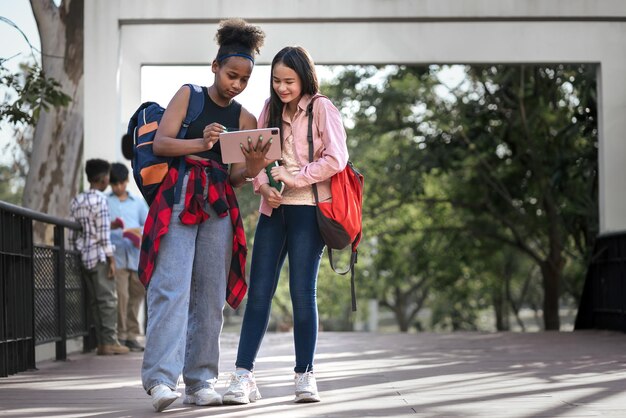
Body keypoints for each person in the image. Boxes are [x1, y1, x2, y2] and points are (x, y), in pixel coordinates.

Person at [140, 18, 267, 412]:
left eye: (245, 79)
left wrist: (254, 164)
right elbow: (162, 143)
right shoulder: (189, 95)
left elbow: (236, 176)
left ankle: (200, 381)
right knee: (170, 288)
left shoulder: (246, 118)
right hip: (180, 194)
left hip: (219, 202)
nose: (237, 84)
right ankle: (161, 381)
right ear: (215, 66)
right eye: (232, 75)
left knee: (210, 296)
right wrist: (202, 140)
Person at [223, 46, 348, 405]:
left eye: (289, 81)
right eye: (277, 80)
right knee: (258, 293)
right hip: (272, 211)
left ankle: (305, 375)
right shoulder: (270, 107)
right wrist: (261, 183)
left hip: (309, 210)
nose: (282, 87)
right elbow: (254, 154)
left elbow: (337, 158)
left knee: (301, 293)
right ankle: (243, 376)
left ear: (304, 78)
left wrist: (295, 178)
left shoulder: (323, 108)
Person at [69, 159, 130, 356]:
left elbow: (73, 233)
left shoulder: (77, 200)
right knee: (108, 301)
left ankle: (100, 343)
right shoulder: (101, 201)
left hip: (84, 256)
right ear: (104, 179)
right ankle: (110, 342)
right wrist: (112, 260)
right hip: (100, 258)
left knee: (94, 301)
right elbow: (103, 236)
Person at [107, 162, 149, 352]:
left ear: (126, 181)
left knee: (136, 296)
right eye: (114, 184)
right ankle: (121, 336)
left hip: (136, 254)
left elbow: (147, 225)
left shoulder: (138, 202)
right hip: (117, 257)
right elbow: (101, 227)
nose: (118, 188)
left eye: (121, 184)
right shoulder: (106, 201)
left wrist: (136, 232)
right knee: (121, 296)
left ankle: (132, 335)